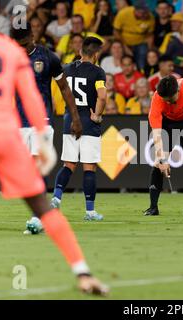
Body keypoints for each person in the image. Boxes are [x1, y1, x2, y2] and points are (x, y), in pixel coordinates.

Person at [0, 2, 107, 295]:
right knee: (42, 206)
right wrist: (43, 136)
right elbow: (30, 95)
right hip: (6, 133)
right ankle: (83, 273)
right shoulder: (8, 52)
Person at [10, 24, 83, 234]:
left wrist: (75, 117)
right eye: (18, 45)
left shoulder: (48, 58)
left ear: (33, 36)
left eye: (25, 44)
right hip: (19, 123)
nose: (22, 49)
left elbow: (64, 88)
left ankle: (38, 217)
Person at [51, 37, 107, 221]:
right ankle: (90, 211)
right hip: (88, 123)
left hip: (70, 121)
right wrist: (97, 115)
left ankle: (56, 199)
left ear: (81, 52)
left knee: (68, 164)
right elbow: (102, 96)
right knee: (89, 167)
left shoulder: (67, 68)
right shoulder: (98, 72)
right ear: (96, 54)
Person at [145, 76, 183, 216]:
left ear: (178, 90)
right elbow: (157, 135)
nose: (168, 102)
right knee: (157, 164)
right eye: (165, 99)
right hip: (169, 126)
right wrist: (163, 160)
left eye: (171, 99)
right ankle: (153, 207)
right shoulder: (157, 100)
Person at [113, 1, 155, 71]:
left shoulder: (150, 17)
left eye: (145, 12)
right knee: (124, 57)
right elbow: (116, 31)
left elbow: (150, 35)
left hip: (140, 42)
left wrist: (150, 50)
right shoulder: (123, 13)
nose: (144, 15)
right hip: (124, 42)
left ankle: (141, 73)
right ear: (135, 10)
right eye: (142, 13)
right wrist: (124, 47)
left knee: (142, 58)